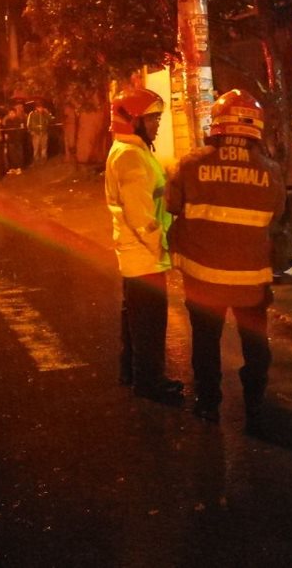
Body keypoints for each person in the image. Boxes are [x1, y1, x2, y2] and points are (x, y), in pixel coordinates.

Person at [167, 89, 286, 425]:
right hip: (251, 282)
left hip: (203, 280)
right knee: (255, 343)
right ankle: (255, 404)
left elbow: (172, 205)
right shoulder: (271, 171)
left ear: (216, 124)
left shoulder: (190, 164)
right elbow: (276, 215)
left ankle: (208, 404)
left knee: (206, 343)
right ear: (256, 128)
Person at [106, 88, 183, 404]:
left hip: (134, 254)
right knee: (149, 324)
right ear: (134, 121)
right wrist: (162, 249)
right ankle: (150, 383)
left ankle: (132, 373)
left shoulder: (127, 150)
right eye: (152, 119)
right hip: (145, 256)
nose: (158, 125)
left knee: (135, 319)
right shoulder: (132, 158)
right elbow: (142, 217)